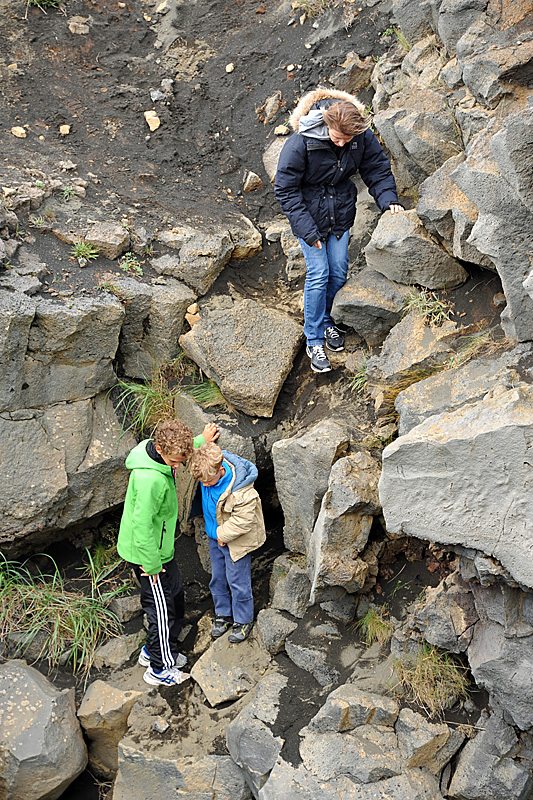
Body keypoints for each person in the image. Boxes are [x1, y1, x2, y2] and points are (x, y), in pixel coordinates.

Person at [275, 87, 404, 374]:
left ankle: (330, 321)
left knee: (339, 269)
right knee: (319, 272)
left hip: (341, 212)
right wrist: (308, 231)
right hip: (309, 216)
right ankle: (314, 339)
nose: (344, 144)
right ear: (327, 124)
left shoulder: (359, 137)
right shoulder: (301, 143)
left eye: (349, 139)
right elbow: (285, 190)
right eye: (338, 138)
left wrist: (389, 201)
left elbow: (377, 169)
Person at [117, 417, 219, 686]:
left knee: (174, 597)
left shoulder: (161, 454)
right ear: (161, 451)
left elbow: (182, 446)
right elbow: (141, 524)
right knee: (161, 611)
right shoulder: (150, 479)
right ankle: (159, 668)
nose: (178, 465)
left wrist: (201, 440)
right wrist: (150, 565)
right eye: (175, 461)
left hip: (161, 549)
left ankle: (157, 651)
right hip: (147, 556)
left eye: (181, 460)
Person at [189, 442, 266, 644]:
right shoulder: (207, 471)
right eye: (202, 482)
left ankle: (243, 620)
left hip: (235, 542)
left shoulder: (242, 491)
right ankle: (223, 613)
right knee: (218, 577)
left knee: (238, 581)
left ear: (221, 470)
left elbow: (243, 521)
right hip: (216, 538)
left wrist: (223, 534)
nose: (205, 485)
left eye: (208, 482)